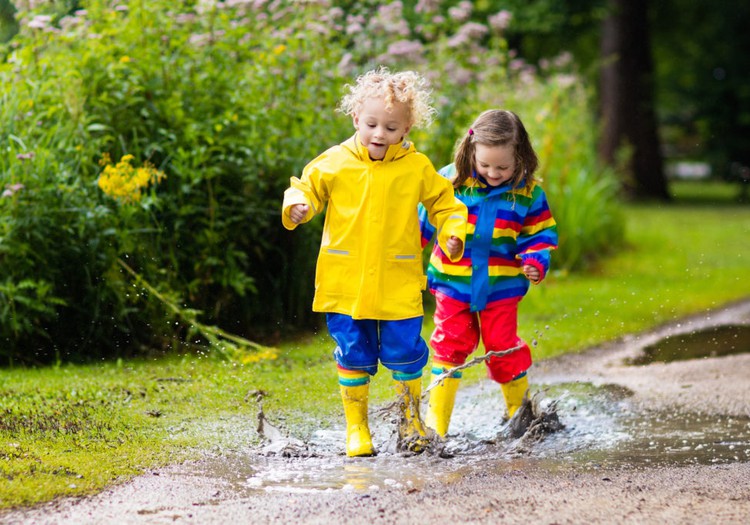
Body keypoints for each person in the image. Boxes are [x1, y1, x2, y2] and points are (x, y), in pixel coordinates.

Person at [281, 67, 467, 457]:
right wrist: (298, 206)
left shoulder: (416, 167)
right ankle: (357, 428)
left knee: (405, 352)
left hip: (397, 281)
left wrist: (453, 233)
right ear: (355, 119)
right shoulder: (334, 161)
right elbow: (306, 187)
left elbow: (446, 204)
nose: (379, 134)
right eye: (371, 124)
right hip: (345, 282)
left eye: (391, 127)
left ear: (407, 128)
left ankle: (410, 422)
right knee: (353, 353)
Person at [418, 109, 558, 438]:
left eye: (503, 167)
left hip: (501, 287)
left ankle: (520, 417)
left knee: (502, 346)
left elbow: (540, 236)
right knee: (448, 347)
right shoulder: (450, 182)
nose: (493, 173)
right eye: (485, 165)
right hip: (453, 284)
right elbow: (421, 224)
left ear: (520, 156)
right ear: (471, 151)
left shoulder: (528, 194)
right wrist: (408, 254)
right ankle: (437, 425)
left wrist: (535, 262)